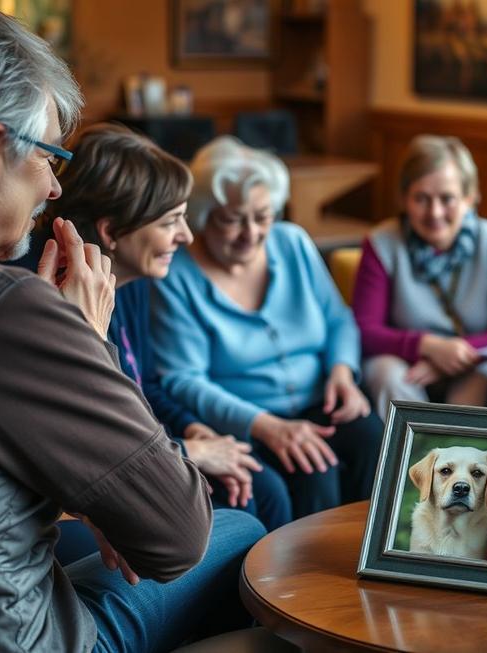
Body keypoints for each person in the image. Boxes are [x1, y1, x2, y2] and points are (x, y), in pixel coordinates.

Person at [0, 2, 264, 652]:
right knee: (239, 537)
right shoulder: (0, 307)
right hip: (6, 638)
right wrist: (84, 338)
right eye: (51, 157)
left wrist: (100, 492)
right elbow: (175, 534)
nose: (54, 190)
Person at [40, 122, 291, 531]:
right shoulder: (53, 296)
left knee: (264, 488)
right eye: (170, 221)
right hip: (93, 489)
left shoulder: (132, 280)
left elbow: (148, 386)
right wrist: (188, 451)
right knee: (244, 518)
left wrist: (195, 430)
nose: (187, 236)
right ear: (112, 232)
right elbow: (81, 440)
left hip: (151, 452)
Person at [152, 136, 382, 519]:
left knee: (373, 436)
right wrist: (265, 426)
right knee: (315, 474)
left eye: (263, 216)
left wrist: (343, 372)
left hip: (321, 398)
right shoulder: (177, 275)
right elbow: (184, 379)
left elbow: (338, 318)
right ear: (204, 215)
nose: (251, 233)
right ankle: (309, 577)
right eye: (232, 220)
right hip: (247, 418)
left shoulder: (292, 243)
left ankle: (377, 552)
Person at [352, 134, 487, 415]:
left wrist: (458, 353)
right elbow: (364, 330)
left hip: (471, 362)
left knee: (481, 377)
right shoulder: (381, 244)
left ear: (470, 198)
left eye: (447, 199)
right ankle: (409, 456)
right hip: (403, 362)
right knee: (385, 373)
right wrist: (427, 346)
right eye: (421, 198)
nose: (434, 212)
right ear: (403, 199)